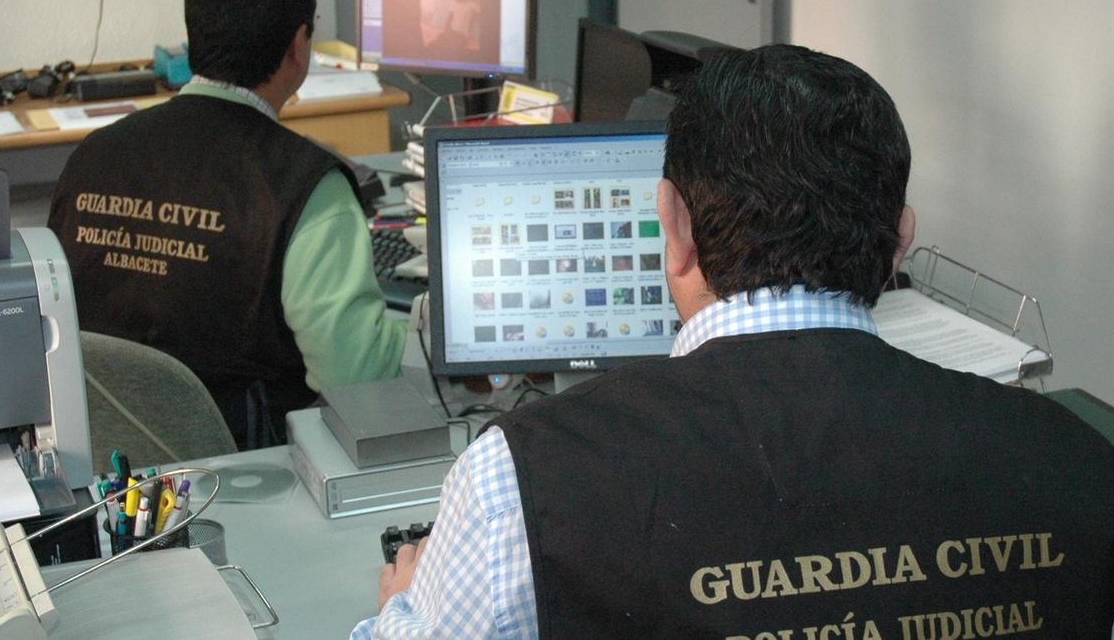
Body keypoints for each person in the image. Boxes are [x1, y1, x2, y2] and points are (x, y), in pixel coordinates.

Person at [352, 45, 1114, 637]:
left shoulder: (517, 477)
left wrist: (400, 611)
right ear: (898, 242)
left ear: (674, 226)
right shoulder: (1076, 453)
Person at [48, 0, 405, 450]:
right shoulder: (307, 188)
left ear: (195, 34)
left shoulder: (92, 157)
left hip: (108, 475)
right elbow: (358, 379)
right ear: (299, 46)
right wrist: (424, 329)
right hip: (251, 474)